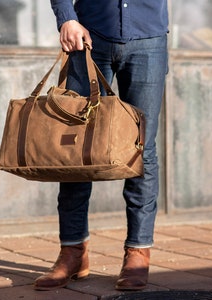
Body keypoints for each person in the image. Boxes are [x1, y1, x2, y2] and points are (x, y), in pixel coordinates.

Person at [34, 0, 169, 291]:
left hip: (148, 39)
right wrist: (66, 18)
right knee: (76, 149)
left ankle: (138, 250)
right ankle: (72, 251)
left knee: (142, 148)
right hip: (88, 36)